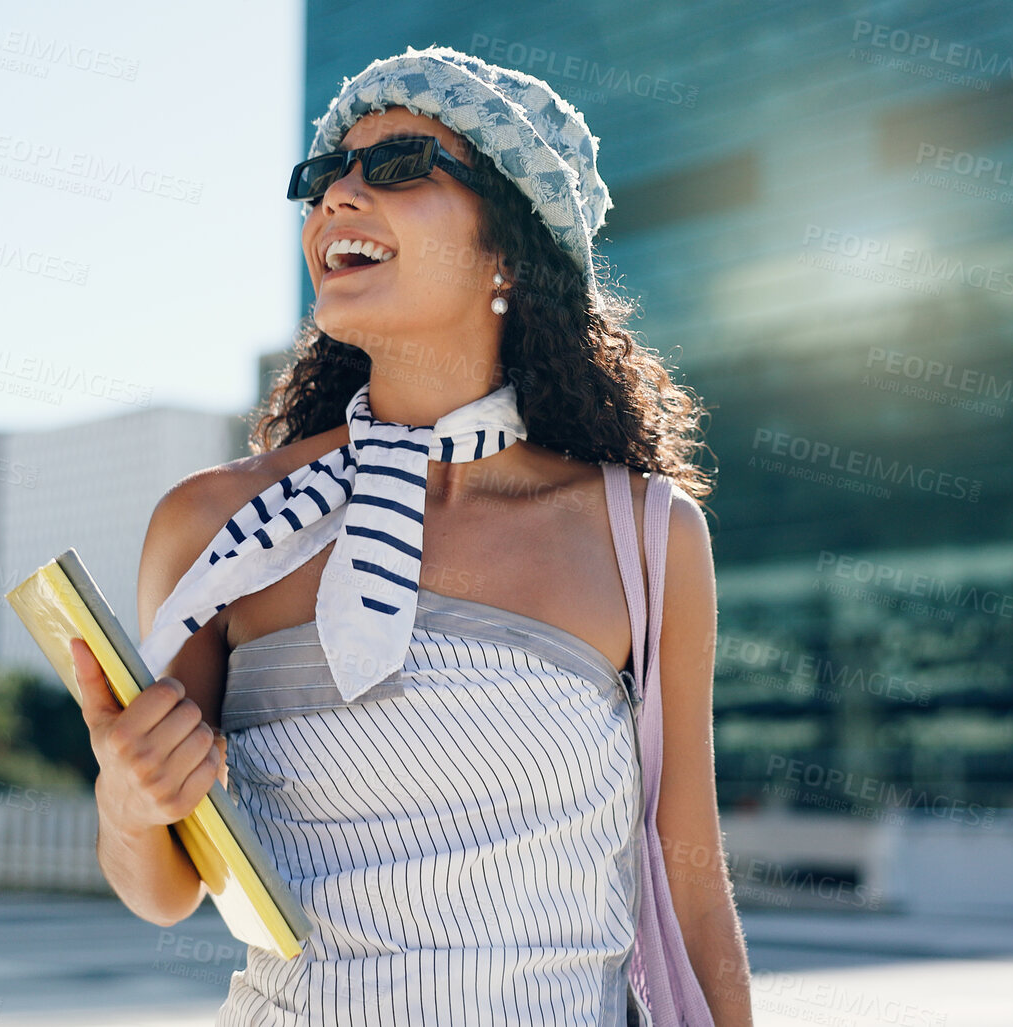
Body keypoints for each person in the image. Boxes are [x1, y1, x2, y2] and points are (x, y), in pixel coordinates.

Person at [68, 45, 752, 1025]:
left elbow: (691, 878)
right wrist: (127, 806)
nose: (337, 197)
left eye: (395, 167)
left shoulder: (644, 535)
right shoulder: (215, 529)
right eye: (323, 178)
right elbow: (169, 887)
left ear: (512, 245)